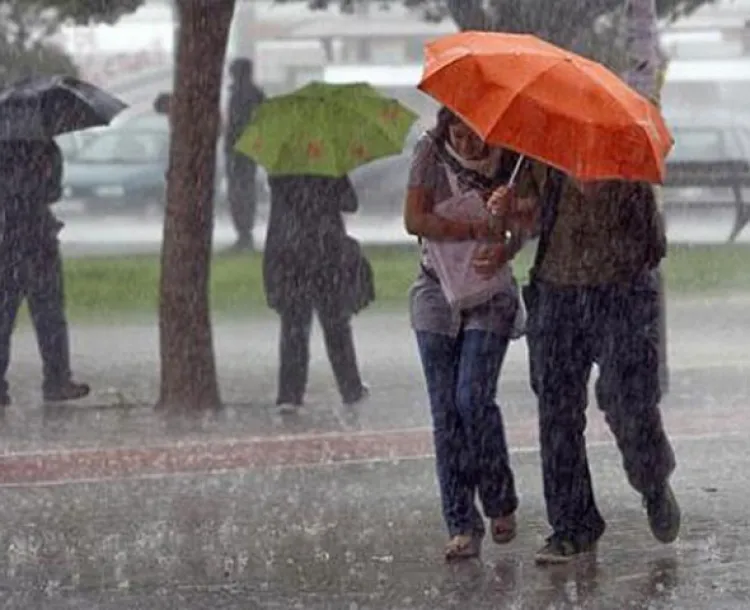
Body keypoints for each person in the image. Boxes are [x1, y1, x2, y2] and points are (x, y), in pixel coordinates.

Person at [515, 168, 680, 565]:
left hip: (620, 292)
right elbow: (527, 221)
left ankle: (652, 480)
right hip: (557, 293)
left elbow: (651, 242)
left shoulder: (621, 155)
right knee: (557, 412)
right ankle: (573, 525)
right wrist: (513, 212)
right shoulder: (539, 149)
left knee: (628, 403)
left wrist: (609, 189)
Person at [403, 108, 541, 561]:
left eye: (476, 132)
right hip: (435, 290)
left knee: (472, 399)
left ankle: (499, 500)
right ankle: (461, 522)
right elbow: (415, 219)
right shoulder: (429, 151)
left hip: (488, 294)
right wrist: (472, 228)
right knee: (445, 412)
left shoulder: (514, 161)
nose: (467, 140)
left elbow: (526, 223)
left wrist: (505, 239)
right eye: (458, 129)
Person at [264, 173, 372, 411]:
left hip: (291, 255)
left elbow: (279, 214)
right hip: (327, 254)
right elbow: (350, 203)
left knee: (294, 327)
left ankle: (289, 395)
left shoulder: (281, 173)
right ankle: (350, 388)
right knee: (336, 326)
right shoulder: (329, 167)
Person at [0, 140, 90, 407]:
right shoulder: (46, 148)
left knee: (6, 315)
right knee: (48, 313)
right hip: (36, 238)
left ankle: (53, 380)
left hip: (11, 238)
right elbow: (53, 193)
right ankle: (57, 380)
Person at [225, 58, 265, 252]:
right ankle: (244, 232)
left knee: (239, 192)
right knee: (245, 191)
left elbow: (237, 124)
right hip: (248, 149)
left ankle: (243, 232)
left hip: (239, 150)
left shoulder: (241, 95)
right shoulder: (256, 94)